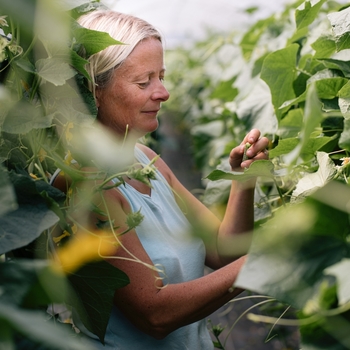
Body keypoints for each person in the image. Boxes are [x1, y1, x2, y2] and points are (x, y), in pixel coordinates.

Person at [72, 9, 269, 350]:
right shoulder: (85, 185)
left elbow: (225, 252)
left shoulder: (147, 160)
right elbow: (154, 314)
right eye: (143, 81)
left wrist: (244, 180)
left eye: (161, 76)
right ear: (94, 91)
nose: (163, 93)